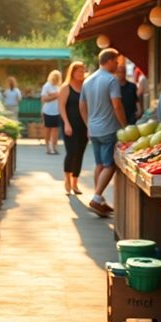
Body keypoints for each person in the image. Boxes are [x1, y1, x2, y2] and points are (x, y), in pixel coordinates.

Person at [79, 48, 127, 216]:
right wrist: (125, 126)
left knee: (99, 164)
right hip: (109, 129)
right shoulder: (111, 80)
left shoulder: (88, 80)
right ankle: (97, 197)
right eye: (117, 61)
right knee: (110, 165)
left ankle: (99, 200)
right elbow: (117, 105)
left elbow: (82, 106)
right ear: (109, 60)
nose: (118, 64)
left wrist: (88, 124)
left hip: (94, 130)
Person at [58, 61, 87, 195]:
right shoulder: (66, 87)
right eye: (79, 71)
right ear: (73, 72)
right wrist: (66, 123)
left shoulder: (86, 87)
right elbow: (61, 107)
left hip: (84, 124)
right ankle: (67, 179)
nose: (82, 73)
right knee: (72, 151)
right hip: (69, 124)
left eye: (83, 70)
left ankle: (75, 182)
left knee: (80, 152)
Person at [40, 70, 62, 155]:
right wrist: (55, 95)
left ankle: (54, 146)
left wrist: (53, 95)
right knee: (48, 129)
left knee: (55, 130)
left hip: (57, 111)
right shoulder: (47, 86)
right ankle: (48, 147)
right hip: (48, 111)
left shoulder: (59, 87)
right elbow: (44, 99)